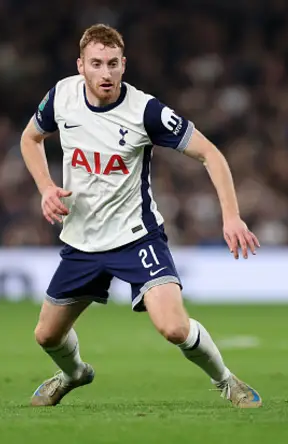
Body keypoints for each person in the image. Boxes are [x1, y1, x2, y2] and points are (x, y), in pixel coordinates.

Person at [20, 24, 262, 409]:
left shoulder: (145, 111)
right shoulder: (61, 97)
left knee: (173, 327)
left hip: (136, 238)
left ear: (124, 65)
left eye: (113, 64)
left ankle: (227, 381)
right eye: (96, 64)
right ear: (80, 65)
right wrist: (46, 187)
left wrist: (231, 217)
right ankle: (74, 374)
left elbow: (211, 154)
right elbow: (29, 138)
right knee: (46, 336)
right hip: (81, 241)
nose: (105, 73)